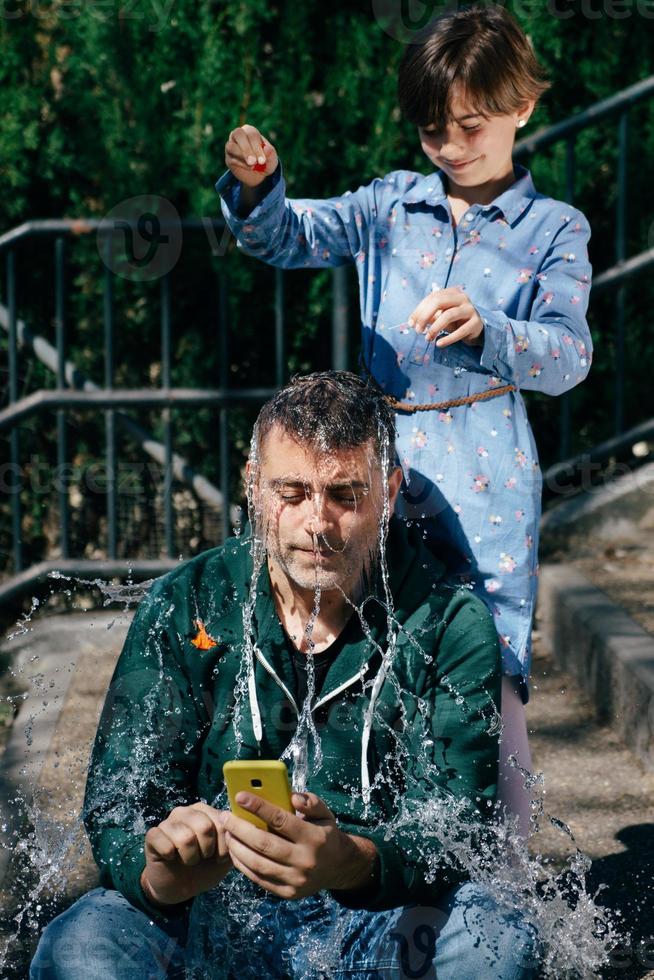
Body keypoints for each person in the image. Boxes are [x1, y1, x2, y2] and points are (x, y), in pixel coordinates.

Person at [214, 4, 593, 838]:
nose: (451, 145)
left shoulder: (555, 228)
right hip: (375, 465)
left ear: (523, 106)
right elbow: (286, 236)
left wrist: (494, 333)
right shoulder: (389, 205)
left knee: (490, 664)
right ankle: (347, 844)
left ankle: (511, 881)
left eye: (471, 123)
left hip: (489, 470)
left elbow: (569, 357)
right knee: (352, 632)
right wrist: (256, 189)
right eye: (432, 129)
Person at [30, 372, 539, 978]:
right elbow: (119, 801)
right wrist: (161, 874)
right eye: (290, 492)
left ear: (391, 490)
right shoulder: (189, 603)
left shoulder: (448, 621)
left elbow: (463, 828)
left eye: (345, 495)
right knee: (81, 943)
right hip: (206, 912)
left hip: (376, 927)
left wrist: (349, 861)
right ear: (253, 487)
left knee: (496, 938)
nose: (316, 523)